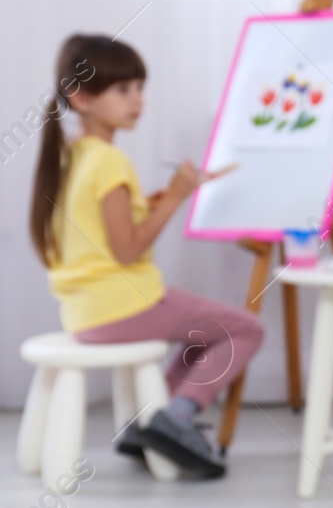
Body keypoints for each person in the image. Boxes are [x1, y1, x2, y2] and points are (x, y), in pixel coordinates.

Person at [28, 34, 266, 478]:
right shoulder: (108, 162)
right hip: (123, 305)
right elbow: (128, 248)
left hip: (85, 312)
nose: (137, 100)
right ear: (81, 98)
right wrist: (176, 197)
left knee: (207, 332)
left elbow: (103, 232)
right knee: (243, 330)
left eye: (140, 87)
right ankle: (173, 418)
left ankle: (153, 422)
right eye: (123, 89)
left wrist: (159, 199)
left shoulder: (70, 157)